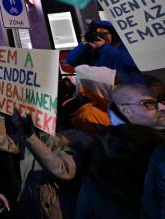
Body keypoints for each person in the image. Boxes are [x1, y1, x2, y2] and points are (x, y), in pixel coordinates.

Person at [76, 84, 165, 219]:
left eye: (160, 101)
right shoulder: (117, 153)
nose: (162, 107)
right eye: (149, 104)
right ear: (125, 110)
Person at [65, 20, 141, 84]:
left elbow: (131, 63)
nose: (100, 36)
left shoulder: (123, 46)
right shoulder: (91, 50)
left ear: (113, 35)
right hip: (102, 93)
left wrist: (104, 47)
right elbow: (71, 61)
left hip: (126, 89)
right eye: (97, 34)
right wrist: (83, 45)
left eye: (103, 34)